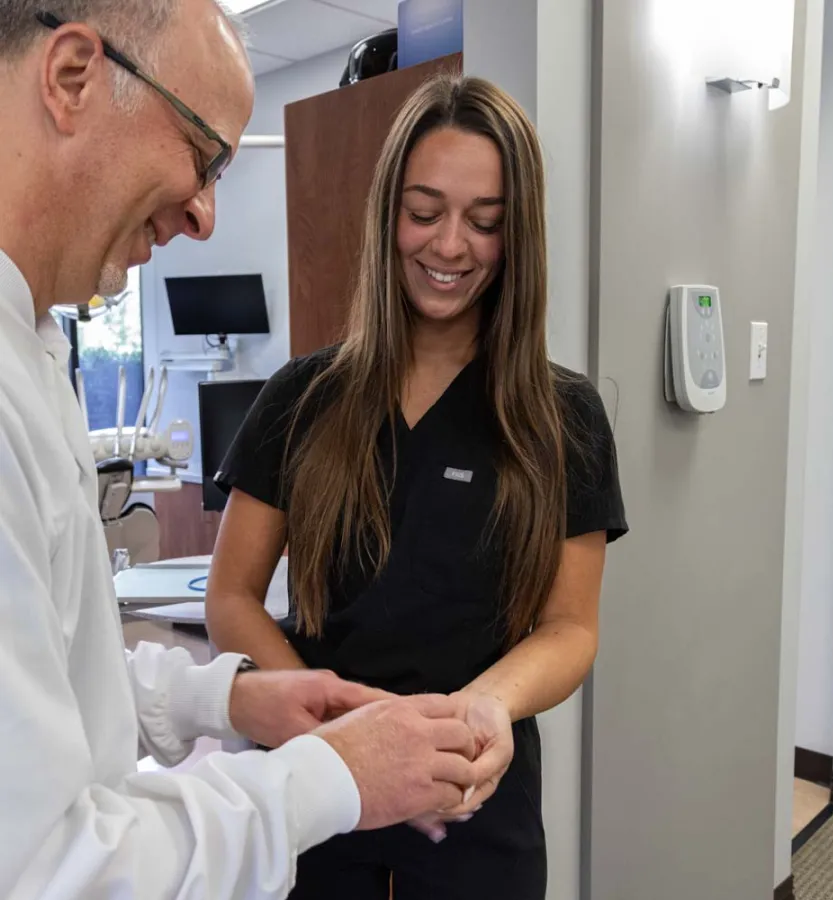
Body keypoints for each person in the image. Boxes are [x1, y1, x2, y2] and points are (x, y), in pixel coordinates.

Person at [0, 3, 483, 898]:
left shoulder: (35, 342)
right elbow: (44, 866)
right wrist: (330, 776)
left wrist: (219, 698)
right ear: (72, 78)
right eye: (202, 154)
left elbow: (50, 684)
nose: (206, 215)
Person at [206, 73, 629, 900]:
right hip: (313, 789)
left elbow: (570, 626)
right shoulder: (302, 397)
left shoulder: (564, 416)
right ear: (388, 215)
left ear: (519, 237)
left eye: (485, 222)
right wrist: (339, 731)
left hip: (476, 799)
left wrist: (478, 712)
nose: (449, 246)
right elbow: (232, 598)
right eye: (425, 212)